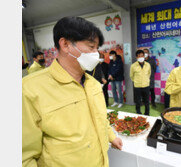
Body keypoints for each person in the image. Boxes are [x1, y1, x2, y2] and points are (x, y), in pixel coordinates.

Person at [22, 16, 122, 167]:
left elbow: (100, 119)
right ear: (66, 44)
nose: (96, 54)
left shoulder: (93, 84)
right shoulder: (30, 89)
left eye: (97, 48)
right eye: (91, 47)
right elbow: (23, 156)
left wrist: (111, 136)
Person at [130, 50, 151, 115]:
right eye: (139, 56)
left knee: (146, 101)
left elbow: (149, 74)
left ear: (144, 56)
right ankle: (138, 112)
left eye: (142, 56)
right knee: (138, 101)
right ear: (136, 57)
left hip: (146, 85)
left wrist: (146, 80)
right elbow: (131, 76)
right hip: (137, 86)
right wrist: (136, 81)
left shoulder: (148, 65)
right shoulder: (133, 66)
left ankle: (147, 113)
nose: (141, 57)